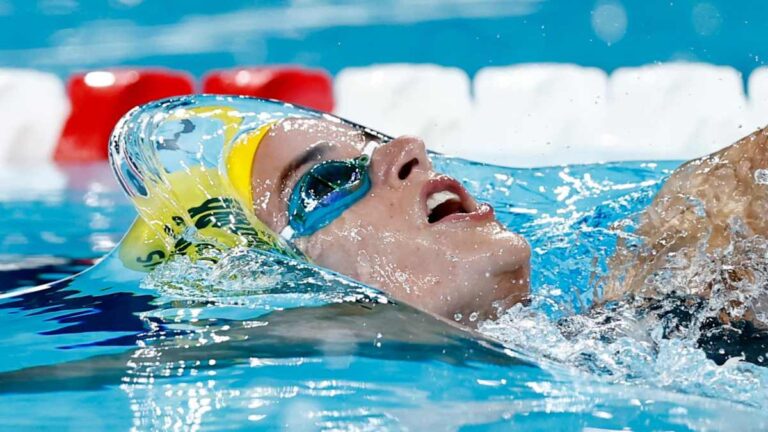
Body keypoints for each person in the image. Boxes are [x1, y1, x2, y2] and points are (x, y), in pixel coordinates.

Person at [112, 96, 765, 363]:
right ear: (283, 285)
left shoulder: (665, 315)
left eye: (381, 146)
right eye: (325, 183)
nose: (409, 150)